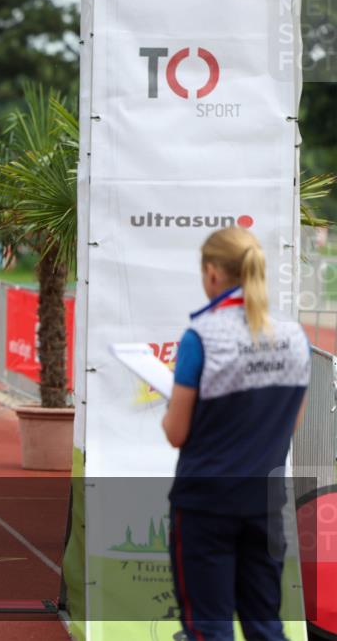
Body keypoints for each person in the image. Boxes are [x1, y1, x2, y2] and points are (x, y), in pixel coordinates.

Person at [161, 227, 309, 640]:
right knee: (265, 625)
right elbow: (288, 426)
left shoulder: (201, 337)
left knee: (209, 628)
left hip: (206, 503)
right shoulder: (295, 338)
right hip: (265, 503)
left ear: (212, 273)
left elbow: (176, 432)